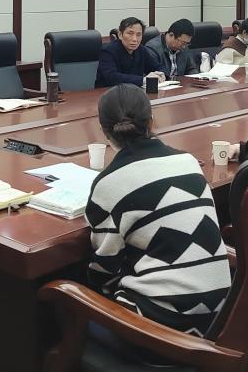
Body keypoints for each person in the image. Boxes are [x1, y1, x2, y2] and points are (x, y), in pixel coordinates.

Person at [85, 84, 232, 339]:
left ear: (104, 131)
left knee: (66, 303)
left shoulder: (108, 183)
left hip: (164, 332)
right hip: (219, 319)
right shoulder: (187, 161)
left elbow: (105, 268)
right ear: (152, 121)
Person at [96, 17, 165, 87]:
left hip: (135, 91)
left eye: (138, 35)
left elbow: (157, 67)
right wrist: (143, 80)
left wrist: (161, 74)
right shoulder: (108, 51)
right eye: (130, 33)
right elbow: (112, 76)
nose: (135, 39)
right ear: (120, 35)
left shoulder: (141, 50)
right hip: (108, 91)